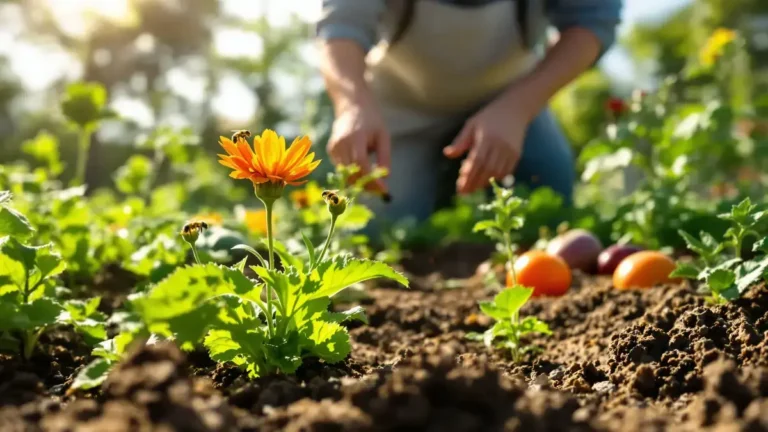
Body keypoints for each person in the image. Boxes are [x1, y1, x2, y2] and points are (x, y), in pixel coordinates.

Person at [315, 0, 622, 232]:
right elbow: (342, 25)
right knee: (381, 227)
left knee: (550, 199)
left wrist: (518, 109)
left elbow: (593, 21)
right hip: (402, 105)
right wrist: (352, 104)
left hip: (509, 100)